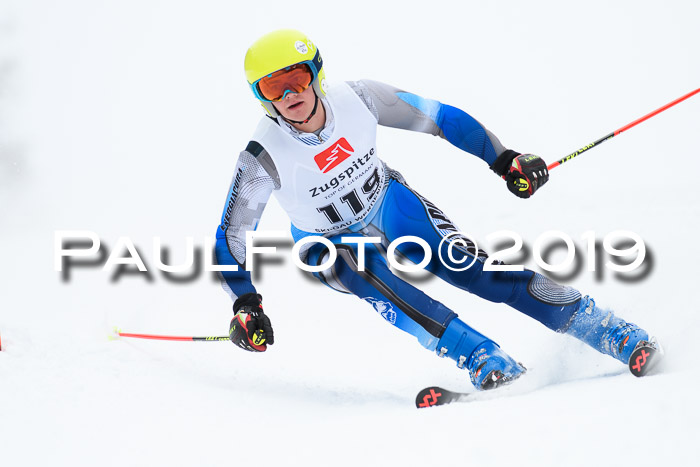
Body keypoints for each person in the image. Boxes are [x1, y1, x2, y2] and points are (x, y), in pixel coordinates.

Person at [215, 29, 659, 390]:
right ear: (261, 96)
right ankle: (482, 357)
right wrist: (245, 304)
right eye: (274, 85)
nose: (290, 92)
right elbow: (232, 234)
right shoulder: (262, 155)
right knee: (382, 284)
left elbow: (440, 118)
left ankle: (606, 329)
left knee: (475, 270)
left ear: (317, 73)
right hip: (326, 241)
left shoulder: (360, 99)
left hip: (387, 202)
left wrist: (505, 161)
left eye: (297, 76)